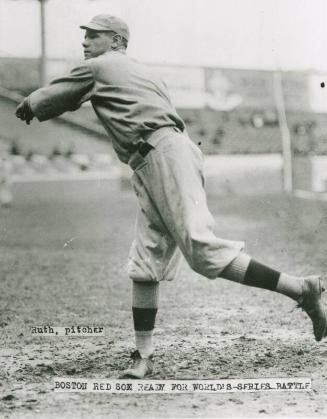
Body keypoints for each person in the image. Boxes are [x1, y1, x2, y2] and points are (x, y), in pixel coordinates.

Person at [16, 14, 327, 379]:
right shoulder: (141, 71)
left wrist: (31, 103)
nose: (85, 42)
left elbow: (55, 98)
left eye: (94, 36)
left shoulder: (101, 66)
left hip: (162, 154)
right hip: (156, 158)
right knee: (145, 260)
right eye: (85, 36)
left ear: (116, 41)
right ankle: (143, 356)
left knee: (200, 248)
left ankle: (300, 288)